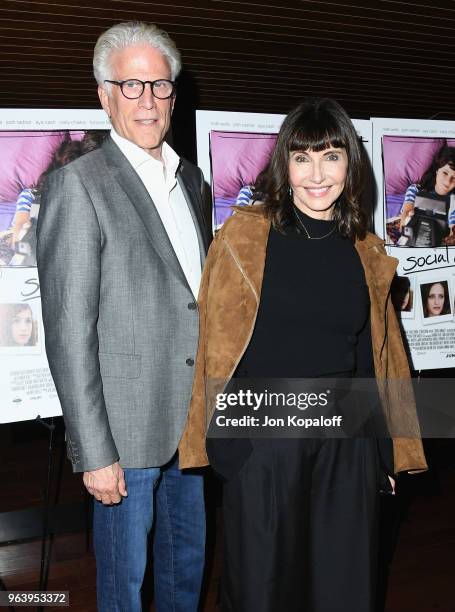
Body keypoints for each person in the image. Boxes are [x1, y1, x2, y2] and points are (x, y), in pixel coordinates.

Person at [179, 98, 427, 612]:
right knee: (262, 591)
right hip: (263, 440)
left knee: (344, 586)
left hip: (347, 444)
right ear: (284, 166)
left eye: (331, 156)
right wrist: (234, 449)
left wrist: (381, 452)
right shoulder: (244, 235)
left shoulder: (365, 247)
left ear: (350, 166)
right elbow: (216, 342)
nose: (317, 174)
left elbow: (372, 354)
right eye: (302, 157)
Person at [37, 21, 211, 612]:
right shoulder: (76, 186)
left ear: (174, 95)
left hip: (191, 421)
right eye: (130, 86)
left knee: (185, 569)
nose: (148, 100)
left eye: (159, 87)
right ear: (103, 94)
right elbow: (67, 331)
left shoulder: (194, 182)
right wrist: (95, 451)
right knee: (123, 588)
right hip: (124, 435)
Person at [400, 145, 455, 232]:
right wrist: (408, 215)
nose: (448, 182)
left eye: (454, 177)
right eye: (445, 173)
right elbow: (406, 212)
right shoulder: (415, 190)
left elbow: (453, 226)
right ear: (437, 170)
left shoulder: (453, 201)